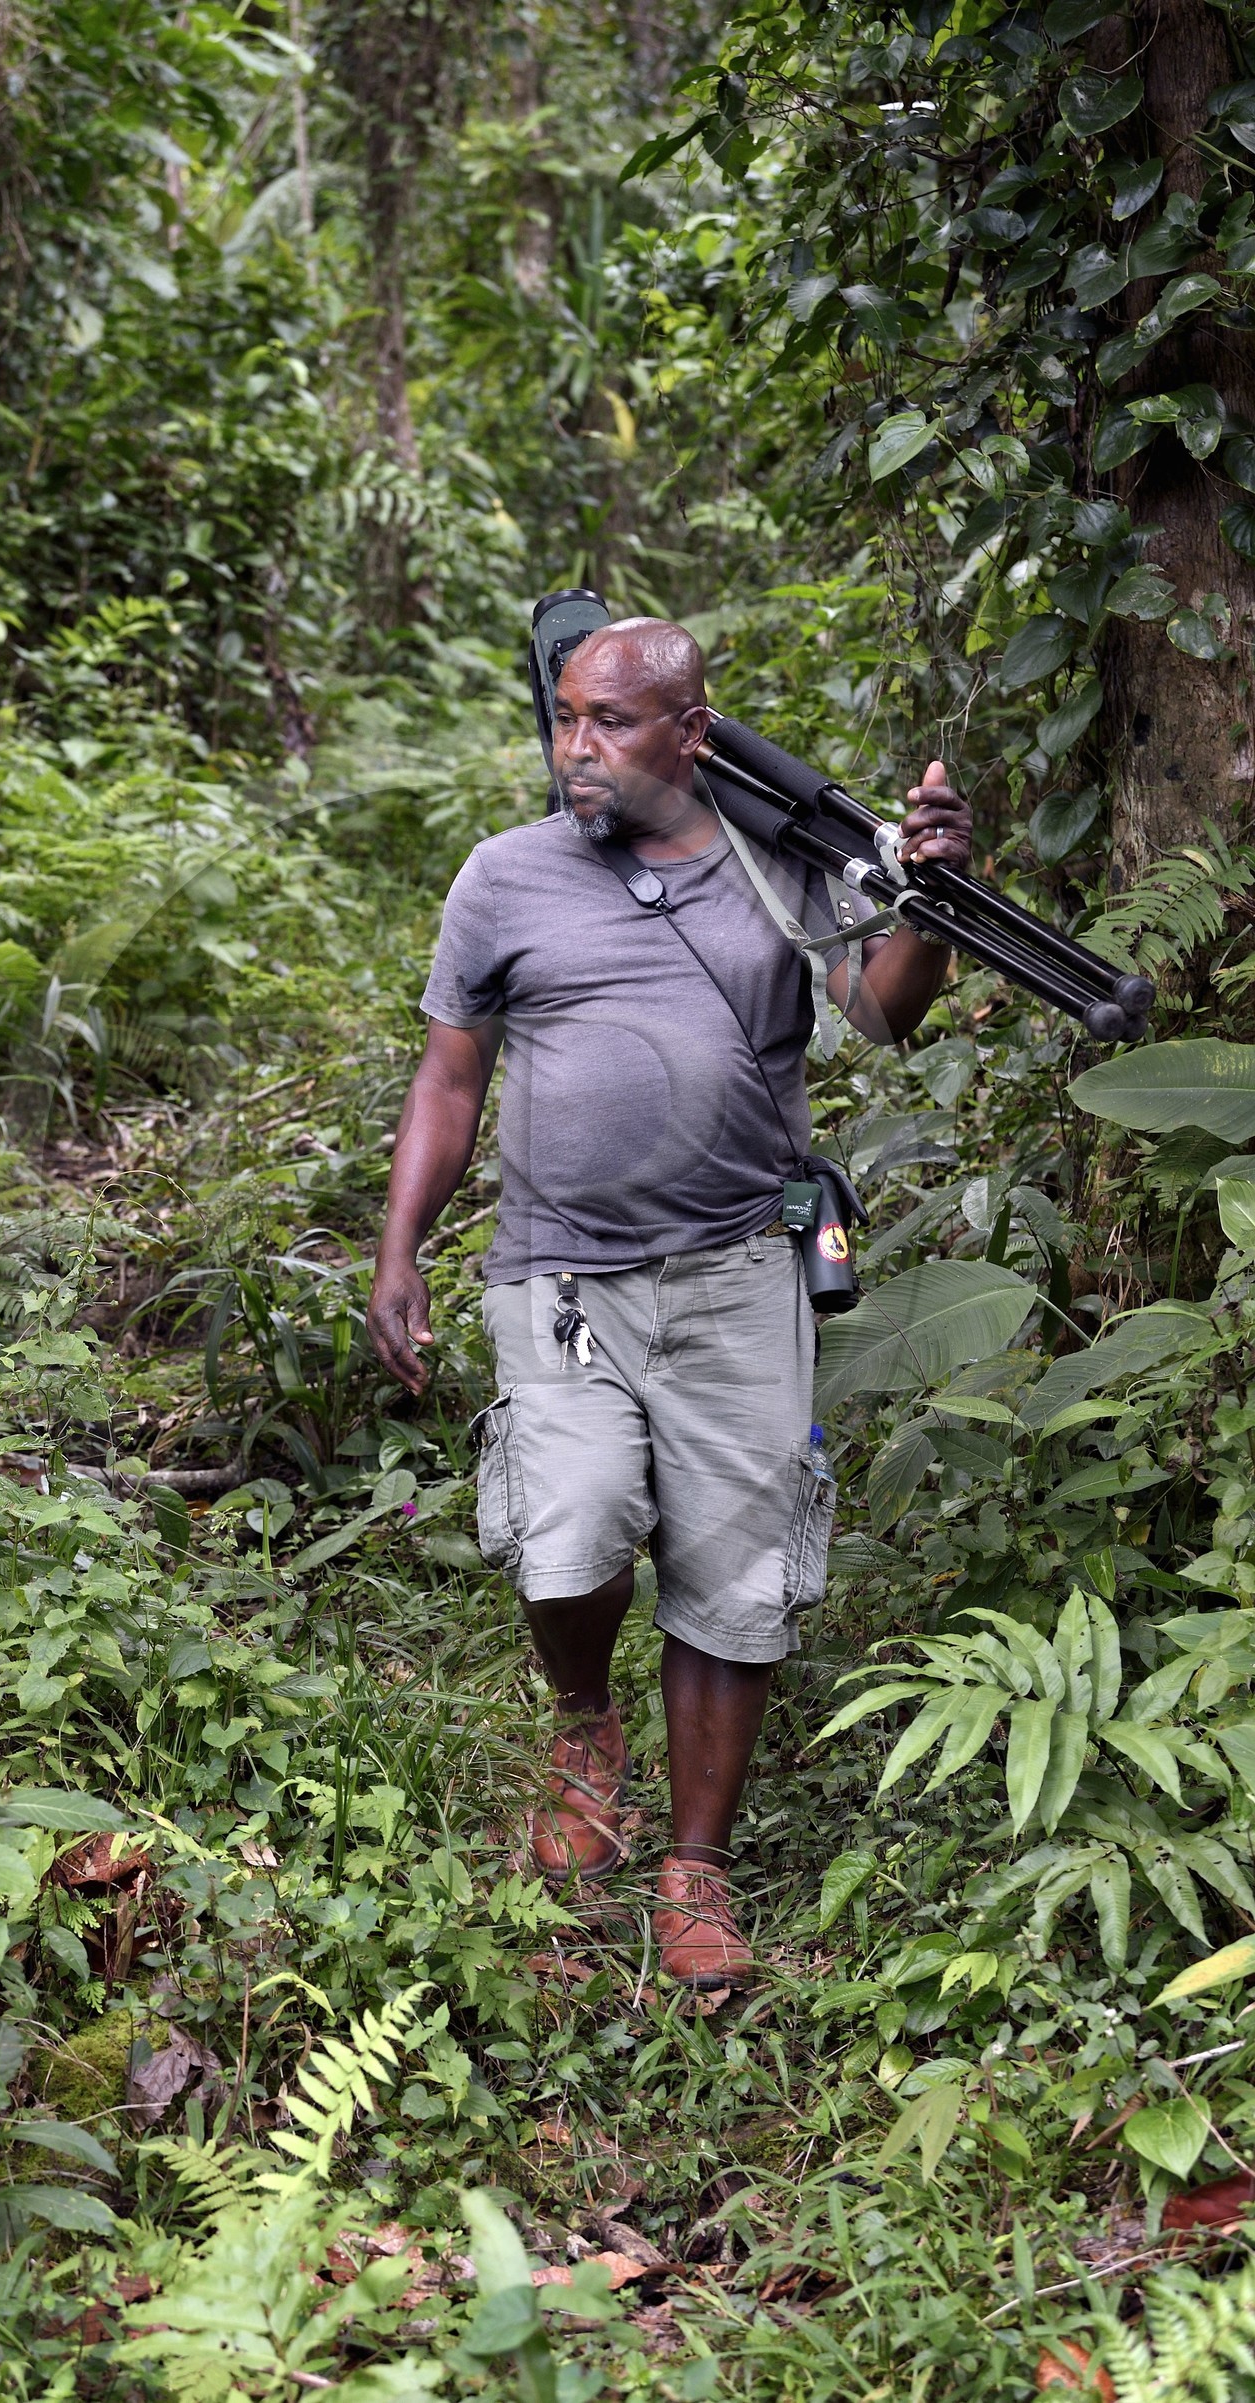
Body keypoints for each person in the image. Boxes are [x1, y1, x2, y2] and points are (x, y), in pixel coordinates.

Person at [366, 617, 972, 1991]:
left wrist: (928, 913)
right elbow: (450, 1079)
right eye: (566, 716)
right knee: (568, 1537)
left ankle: (697, 1868)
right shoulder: (505, 878)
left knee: (733, 1572)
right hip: (559, 1275)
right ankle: (582, 1723)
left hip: (737, 1270)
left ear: (690, 734)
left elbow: (881, 1014)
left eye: (609, 723)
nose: (575, 746)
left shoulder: (775, 871)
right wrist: (399, 1247)